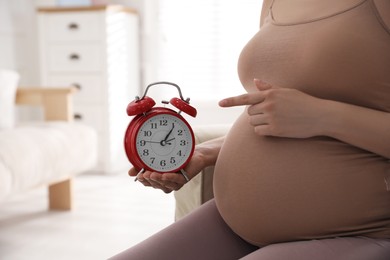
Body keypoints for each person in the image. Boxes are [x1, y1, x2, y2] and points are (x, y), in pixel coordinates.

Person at [110, 0, 390, 259]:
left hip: (360, 230)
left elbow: (302, 112)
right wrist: (204, 154)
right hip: (231, 223)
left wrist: (323, 116)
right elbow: (273, 110)